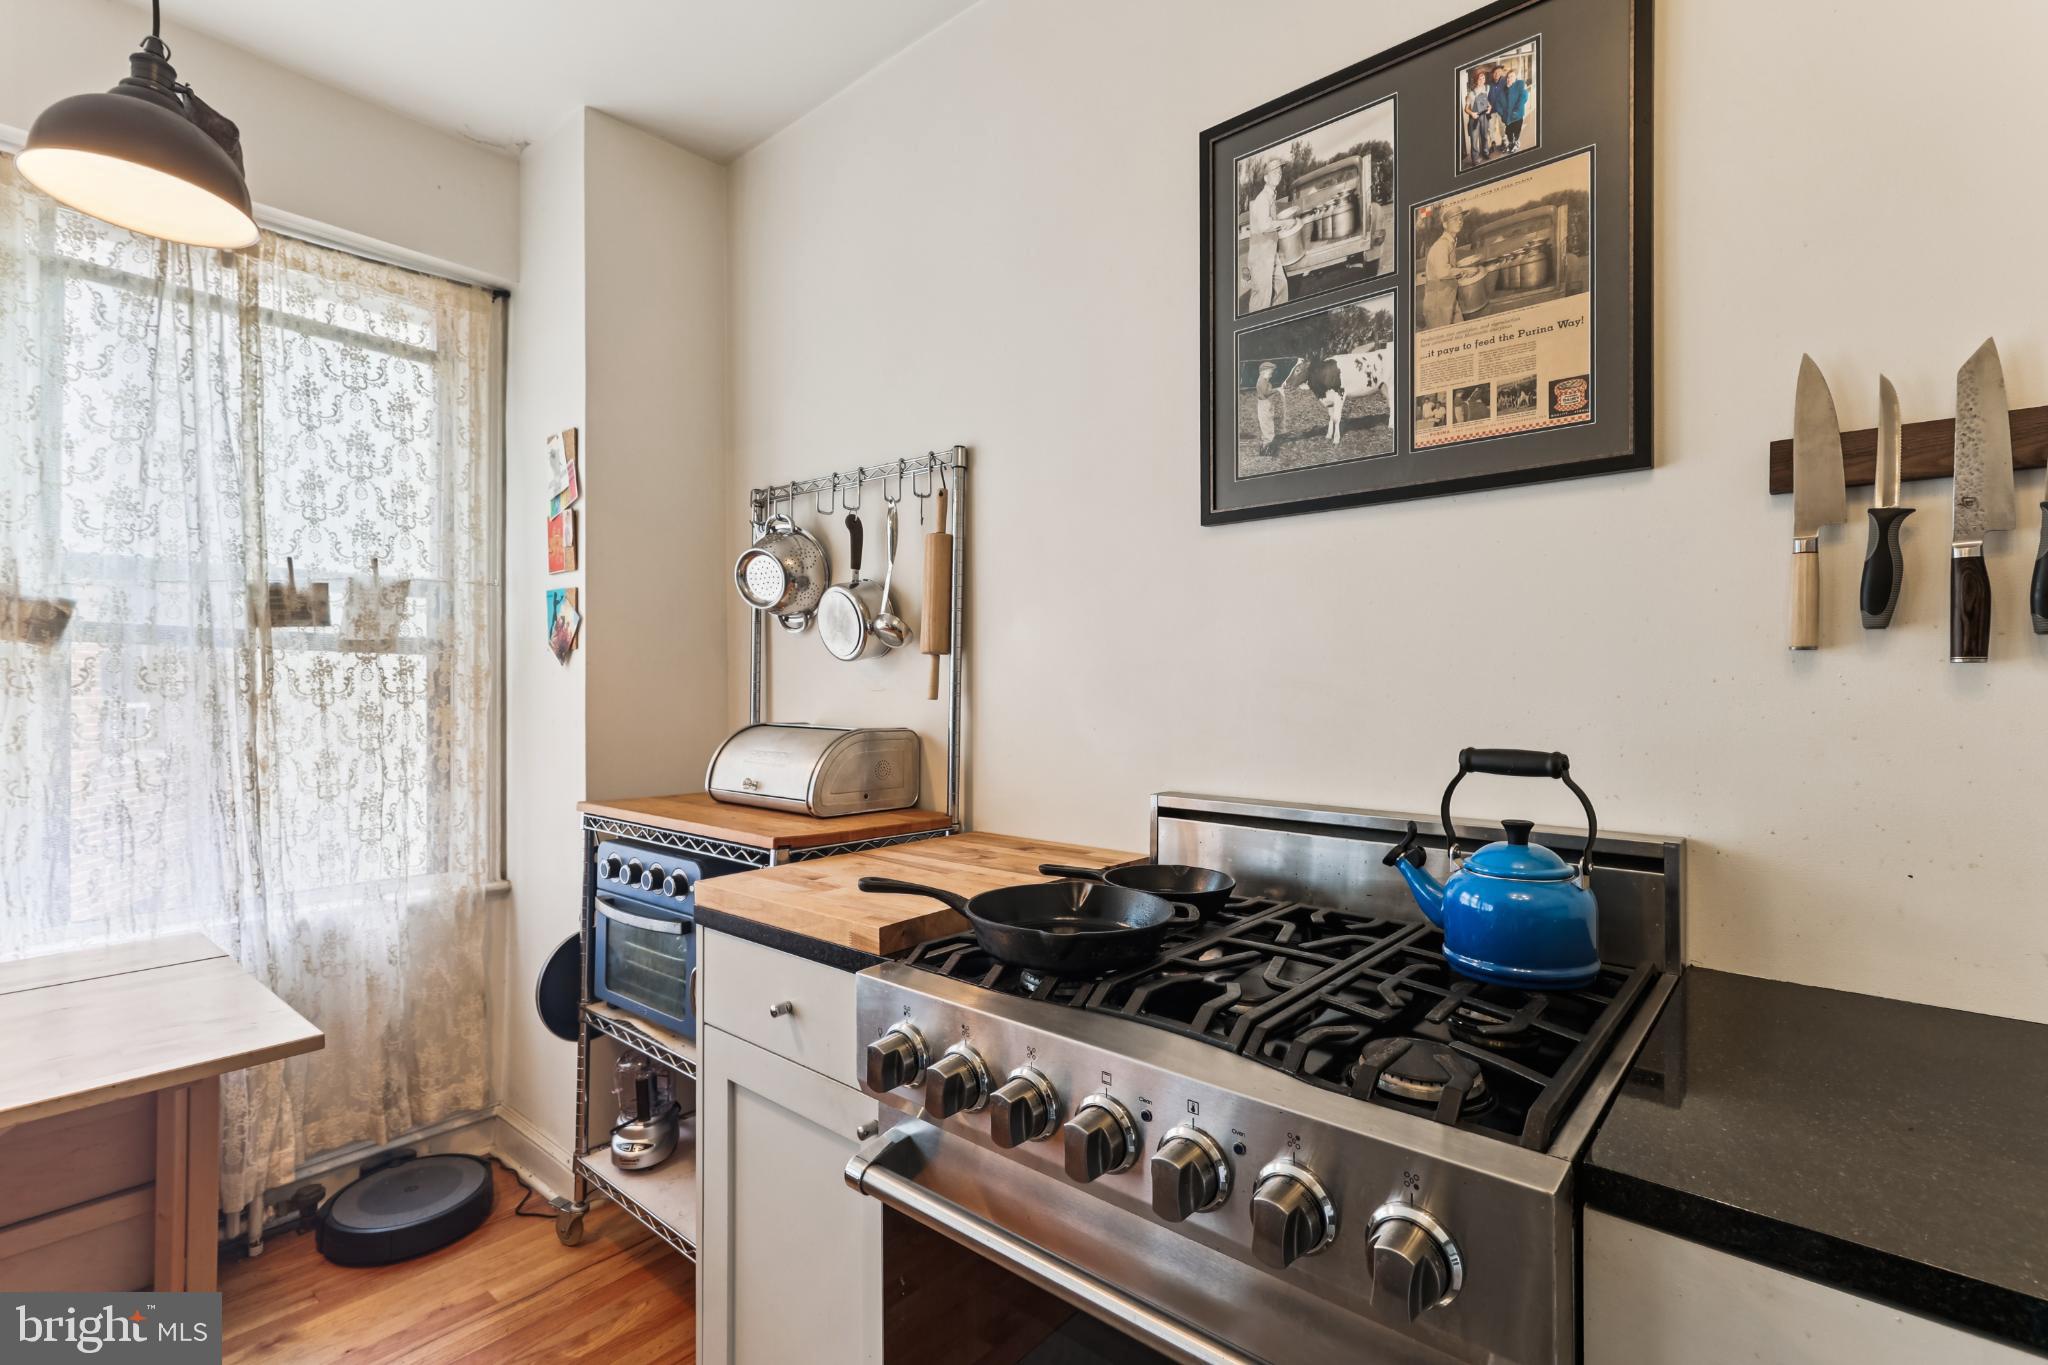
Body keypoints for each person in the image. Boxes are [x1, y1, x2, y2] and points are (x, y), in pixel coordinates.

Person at [1419, 204, 1479, 329]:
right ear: (1445, 225)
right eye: (1454, 219)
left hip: (1449, 298)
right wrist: (1465, 270)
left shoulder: (1450, 243)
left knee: (1461, 331)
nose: (1459, 222)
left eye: (1461, 219)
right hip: (1438, 303)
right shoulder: (1442, 245)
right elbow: (1442, 272)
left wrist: (1462, 273)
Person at [1244, 159, 1290, 312]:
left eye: (1280, 173)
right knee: (1262, 299)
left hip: (1270, 253)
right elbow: (1264, 225)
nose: (1278, 175)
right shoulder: (1262, 199)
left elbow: (1269, 223)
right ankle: (1256, 325)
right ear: (1266, 178)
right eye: (1274, 172)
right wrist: (1284, 223)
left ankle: (1277, 319)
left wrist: (1281, 224)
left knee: (1282, 286)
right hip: (1261, 257)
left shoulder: (1271, 196)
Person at [1496, 62, 1529, 155]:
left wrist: (1516, 112)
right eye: (1508, 77)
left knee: (1516, 131)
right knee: (1509, 132)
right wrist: (1502, 113)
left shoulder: (1519, 86)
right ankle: (1511, 144)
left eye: (1512, 76)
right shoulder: (1503, 90)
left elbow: (1523, 98)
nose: (1509, 78)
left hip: (1517, 116)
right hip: (1507, 117)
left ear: (1515, 78)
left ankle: (1516, 143)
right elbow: (1498, 104)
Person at [1464, 70, 1493, 166]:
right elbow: (1466, 109)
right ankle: (1475, 159)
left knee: (1484, 136)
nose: (1482, 81)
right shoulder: (1471, 93)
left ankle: (1485, 153)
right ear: (1476, 80)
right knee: (1474, 139)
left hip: (1484, 116)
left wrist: (1490, 107)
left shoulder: (1486, 88)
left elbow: (1486, 101)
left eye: (1483, 78)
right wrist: (1472, 113)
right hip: (1475, 118)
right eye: (1479, 79)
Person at [1254, 360, 1281, 456]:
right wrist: (1277, 390)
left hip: (1266, 404)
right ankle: (1267, 449)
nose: (1271, 375)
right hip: (1264, 405)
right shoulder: (1262, 381)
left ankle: (1266, 447)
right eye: (1270, 373)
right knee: (1267, 425)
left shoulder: (1264, 380)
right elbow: (1266, 393)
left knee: (1268, 423)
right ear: (1264, 372)